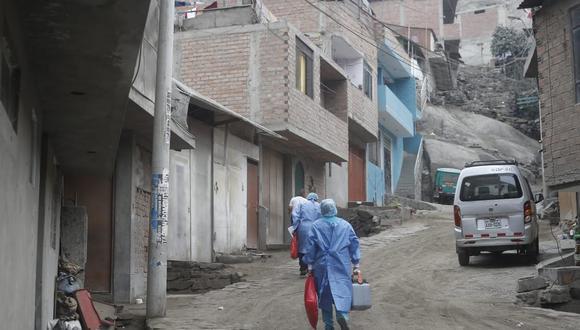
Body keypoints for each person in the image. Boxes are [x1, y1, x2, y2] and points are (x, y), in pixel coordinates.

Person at [303, 199, 361, 330]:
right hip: (341, 263)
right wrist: (356, 264)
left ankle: (329, 325)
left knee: (325, 295)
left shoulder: (316, 225)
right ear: (335, 209)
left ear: (322, 210)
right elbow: (354, 243)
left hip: (322, 265)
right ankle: (343, 315)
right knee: (342, 290)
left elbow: (311, 246)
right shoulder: (345, 225)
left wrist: (310, 265)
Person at [292, 192, 321, 276]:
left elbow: (295, 215)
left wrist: (295, 227)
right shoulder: (319, 206)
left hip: (303, 228)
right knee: (314, 247)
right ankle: (312, 267)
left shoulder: (302, 204)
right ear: (316, 198)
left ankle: (303, 268)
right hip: (315, 228)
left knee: (302, 248)